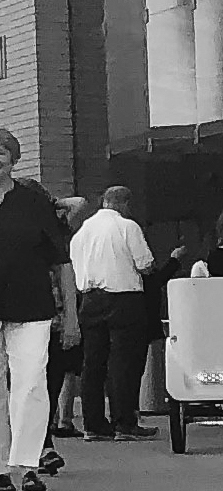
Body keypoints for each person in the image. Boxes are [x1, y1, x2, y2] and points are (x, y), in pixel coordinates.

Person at [0, 132, 66, 491]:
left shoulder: (33, 201)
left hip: (31, 304)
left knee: (30, 383)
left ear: (14, 159)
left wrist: (70, 314)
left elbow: (60, 259)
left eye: (3, 151)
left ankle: (25, 465)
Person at [70, 185, 154, 442]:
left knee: (92, 363)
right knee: (122, 362)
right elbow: (145, 264)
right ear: (124, 204)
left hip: (89, 299)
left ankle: (93, 425)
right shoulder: (128, 227)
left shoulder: (82, 231)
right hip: (123, 298)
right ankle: (124, 423)